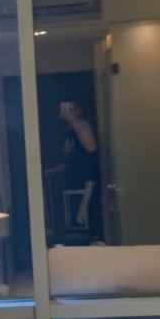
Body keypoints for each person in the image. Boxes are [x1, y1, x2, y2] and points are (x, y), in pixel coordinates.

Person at [44, 101, 102, 240]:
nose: (64, 111)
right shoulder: (67, 132)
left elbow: (91, 148)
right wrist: (51, 171)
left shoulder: (82, 126)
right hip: (71, 181)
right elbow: (70, 160)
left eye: (69, 108)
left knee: (83, 214)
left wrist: (76, 122)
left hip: (86, 179)